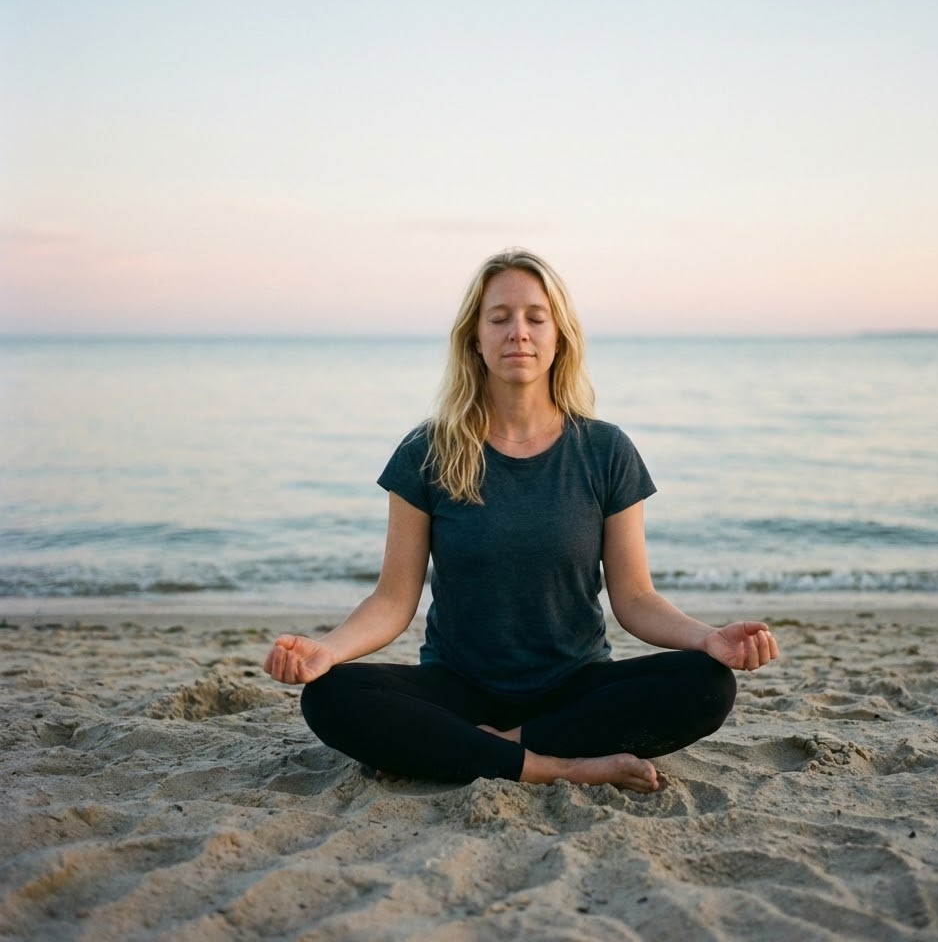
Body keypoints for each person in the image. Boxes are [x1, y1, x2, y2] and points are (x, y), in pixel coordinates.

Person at [264, 248, 779, 793]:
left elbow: (634, 599)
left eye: (536, 318)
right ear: (475, 337)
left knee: (708, 684)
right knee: (329, 696)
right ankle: (555, 766)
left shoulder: (605, 450)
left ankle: (486, 748)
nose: (519, 333)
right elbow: (393, 600)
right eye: (500, 318)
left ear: (559, 338)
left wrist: (708, 639)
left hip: (573, 686)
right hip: (458, 686)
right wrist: (330, 650)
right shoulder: (427, 451)